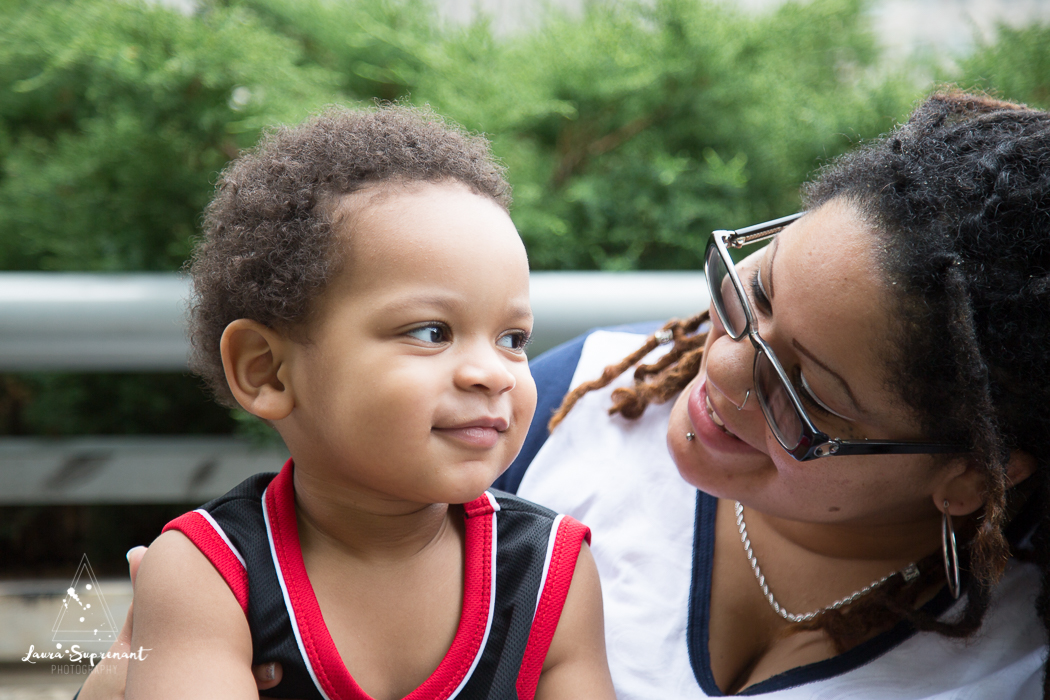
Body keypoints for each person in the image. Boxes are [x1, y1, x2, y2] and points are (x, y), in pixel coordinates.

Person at [80, 90, 1050, 699]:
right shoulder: (572, 407)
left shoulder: (1021, 658)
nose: (717, 371)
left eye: (806, 393)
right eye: (749, 296)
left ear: (971, 476)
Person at [106, 106, 615, 700]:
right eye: (431, 331)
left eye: (513, 340)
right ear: (266, 369)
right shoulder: (211, 573)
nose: (490, 373)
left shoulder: (549, 574)